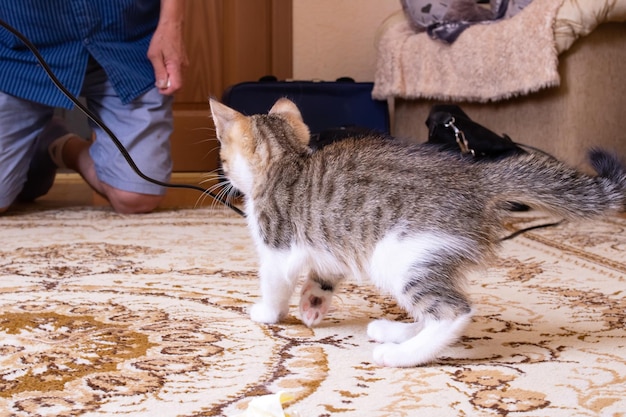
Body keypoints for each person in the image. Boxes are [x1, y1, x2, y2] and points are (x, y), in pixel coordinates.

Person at [0, 0, 187, 214]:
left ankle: (56, 144)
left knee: (135, 197)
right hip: (16, 52)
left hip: (125, 39)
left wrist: (171, 24)